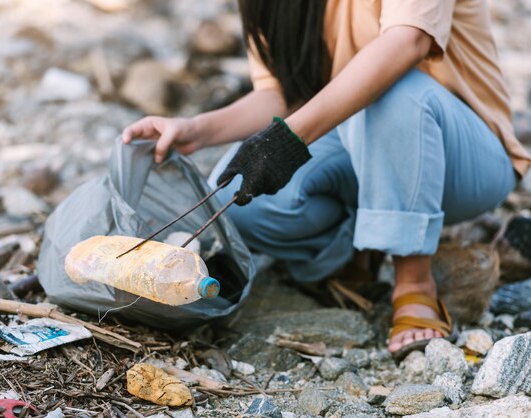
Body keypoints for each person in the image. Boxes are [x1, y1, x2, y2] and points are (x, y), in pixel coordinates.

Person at [122, 0, 530, 357]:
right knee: (240, 198)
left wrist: (287, 141)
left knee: (390, 87)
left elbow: (409, 42)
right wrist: (197, 129)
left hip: (464, 157)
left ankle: (414, 282)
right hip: (359, 142)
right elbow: (281, 94)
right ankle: (359, 249)